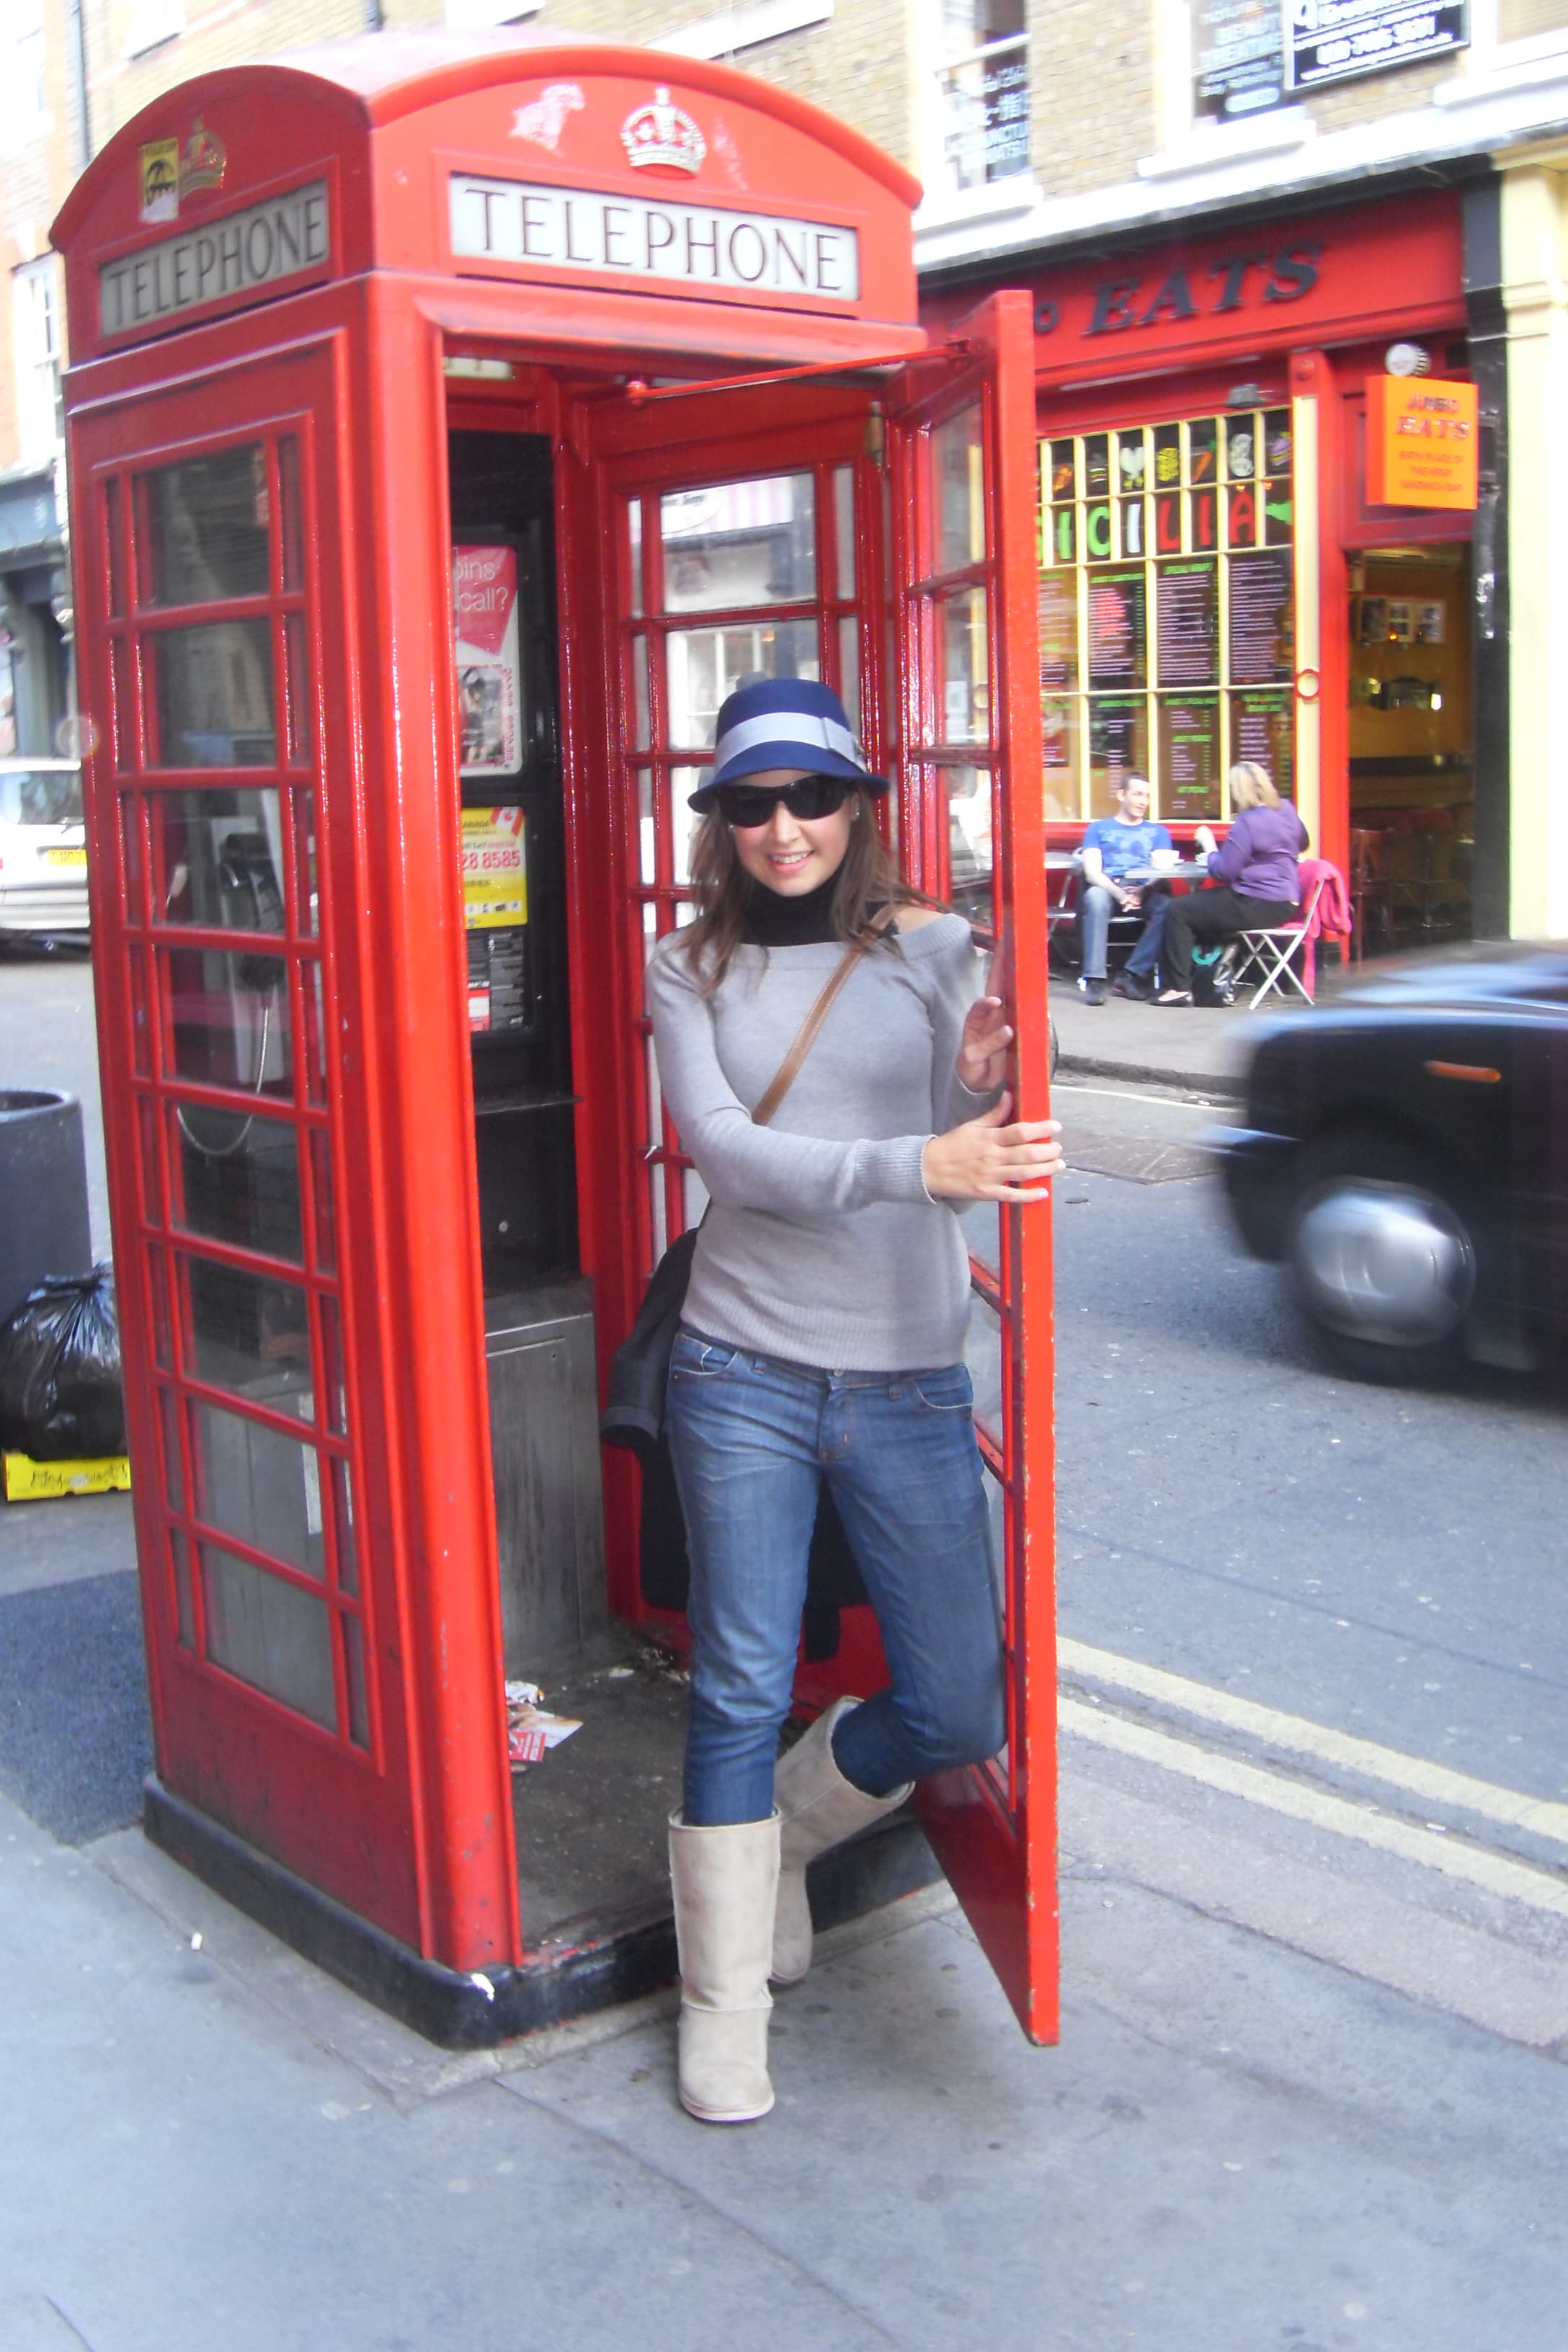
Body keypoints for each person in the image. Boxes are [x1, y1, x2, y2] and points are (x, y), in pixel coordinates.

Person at [646, 677, 1062, 2127]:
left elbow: (990, 1133)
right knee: (740, 1680)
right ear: (721, 822)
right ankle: (721, 2005)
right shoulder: (683, 967)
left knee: (955, 1698)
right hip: (739, 1369)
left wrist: (983, 1091)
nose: (783, 830)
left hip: (903, 1376)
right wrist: (916, 1163)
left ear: (857, 807)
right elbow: (721, 1153)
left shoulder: (940, 951)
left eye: (810, 798)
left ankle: (793, 1843)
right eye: (750, 804)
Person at [1153, 762, 1307, 1005]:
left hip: (1257, 902)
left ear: (1240, 790)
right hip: (1287, 902)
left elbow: (1224, 871)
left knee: (1178, 910)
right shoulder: (1286, 809)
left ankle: (1179, 989)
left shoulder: (1248, 821)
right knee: (1205, 907)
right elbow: (1303, 842)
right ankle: (1210, 981)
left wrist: (1209, 845)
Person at [1074, 773, 1173, 1004]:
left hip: (1144, 891)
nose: (1143, 801)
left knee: (1171, 909)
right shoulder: (1098, 829)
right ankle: (1095, 979)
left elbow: (1161, 872)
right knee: (1095, 898)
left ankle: (1132, 975)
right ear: (1121, 795)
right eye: (1137, 794)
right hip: (1109, 890)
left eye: (1147, 796)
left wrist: (1141, 892)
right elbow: (1092, 872)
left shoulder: (1159, 832)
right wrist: (1120, 894)